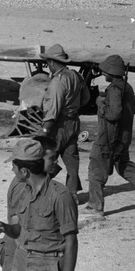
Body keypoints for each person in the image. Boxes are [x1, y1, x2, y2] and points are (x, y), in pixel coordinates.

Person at [0, 138, 79, 271]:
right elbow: (20, 230)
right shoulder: (24, 192)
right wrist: (5, 227)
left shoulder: (60, 196)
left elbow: (71, 242)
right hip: (21, 262)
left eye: (14, 166)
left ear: (24, 171)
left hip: (49, 267)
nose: (12, 169)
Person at [84, 55, 135, 216]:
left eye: (105, 71)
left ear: (110, 72)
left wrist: (100, 104)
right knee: (124, 166)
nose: (103, 74)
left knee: (95, 168)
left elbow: (113, 115)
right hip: (123, 137)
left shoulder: (114, 89)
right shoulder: (127, 87)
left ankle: (95, 205)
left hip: (108, 138)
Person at [0, 136, 57, 271]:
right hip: (20, 252)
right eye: (51, 158)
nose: (55, 162)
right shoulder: (23, 186)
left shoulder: (43, 182)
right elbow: (18, 228)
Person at [37, 44, 90, 195]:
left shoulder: (57, 82)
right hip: (74, 122)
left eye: (48, 63)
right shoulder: (75, 76)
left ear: (52, 62)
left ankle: (41, 191)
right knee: (71, 160)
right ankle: (72, 194)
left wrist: (44, 130)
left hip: (59, 125)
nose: (48, 66)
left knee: (48, 158)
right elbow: (86, 98)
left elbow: (53, 111)